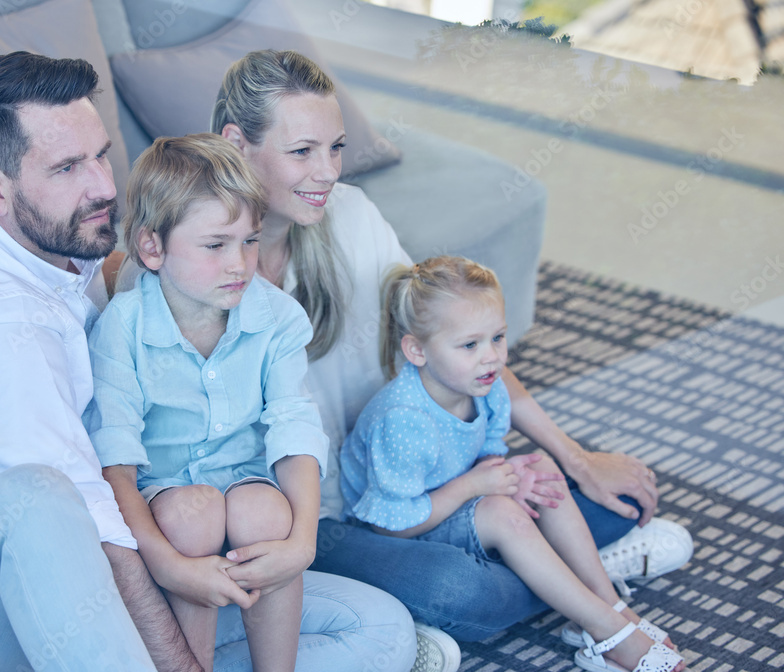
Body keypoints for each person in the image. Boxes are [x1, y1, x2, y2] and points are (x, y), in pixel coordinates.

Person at [0, 52, 416, 672]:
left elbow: (154, 275)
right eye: (66, 168)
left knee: (376, 628)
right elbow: (92, 514)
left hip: (80, 580)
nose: (105, 188)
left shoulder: (38, 242)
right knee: (36, 496)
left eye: (99, 155)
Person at [202, 48, 692, 657]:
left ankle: (558, 572)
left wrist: (576, 457)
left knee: (601, 497)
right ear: (236, 145)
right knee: (457, 594)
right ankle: (581, 578)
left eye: (335, 148)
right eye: (302, 151)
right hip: (319, 522)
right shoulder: (198, 269)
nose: (327, 172)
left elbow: (453, 335)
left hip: (427, 475)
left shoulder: (349, 215)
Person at [340, 256, 684, 672]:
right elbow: (389, 525)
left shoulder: (485, 385)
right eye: (470, 345)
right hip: (404, 533)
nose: (492, 358)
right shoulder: (402, 421)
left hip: (460, 501)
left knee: (540, 468)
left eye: (498, 337)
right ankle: (606, 629)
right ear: (416, 350)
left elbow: (487, 447)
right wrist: (476, 487)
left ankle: (606, 607)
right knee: (502, 516)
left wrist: (507, 477)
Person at [83, 133, 326, 671]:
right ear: (152, 247)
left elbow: (294, 426)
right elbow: (114, 462)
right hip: (167, 502)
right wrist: (168, 564)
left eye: (250, 241)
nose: (239, 263)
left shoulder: (278, 318)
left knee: (265, 508)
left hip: (245, 486)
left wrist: (303, 542)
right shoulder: (122, 328)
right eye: (216, 245)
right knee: (193, 516)